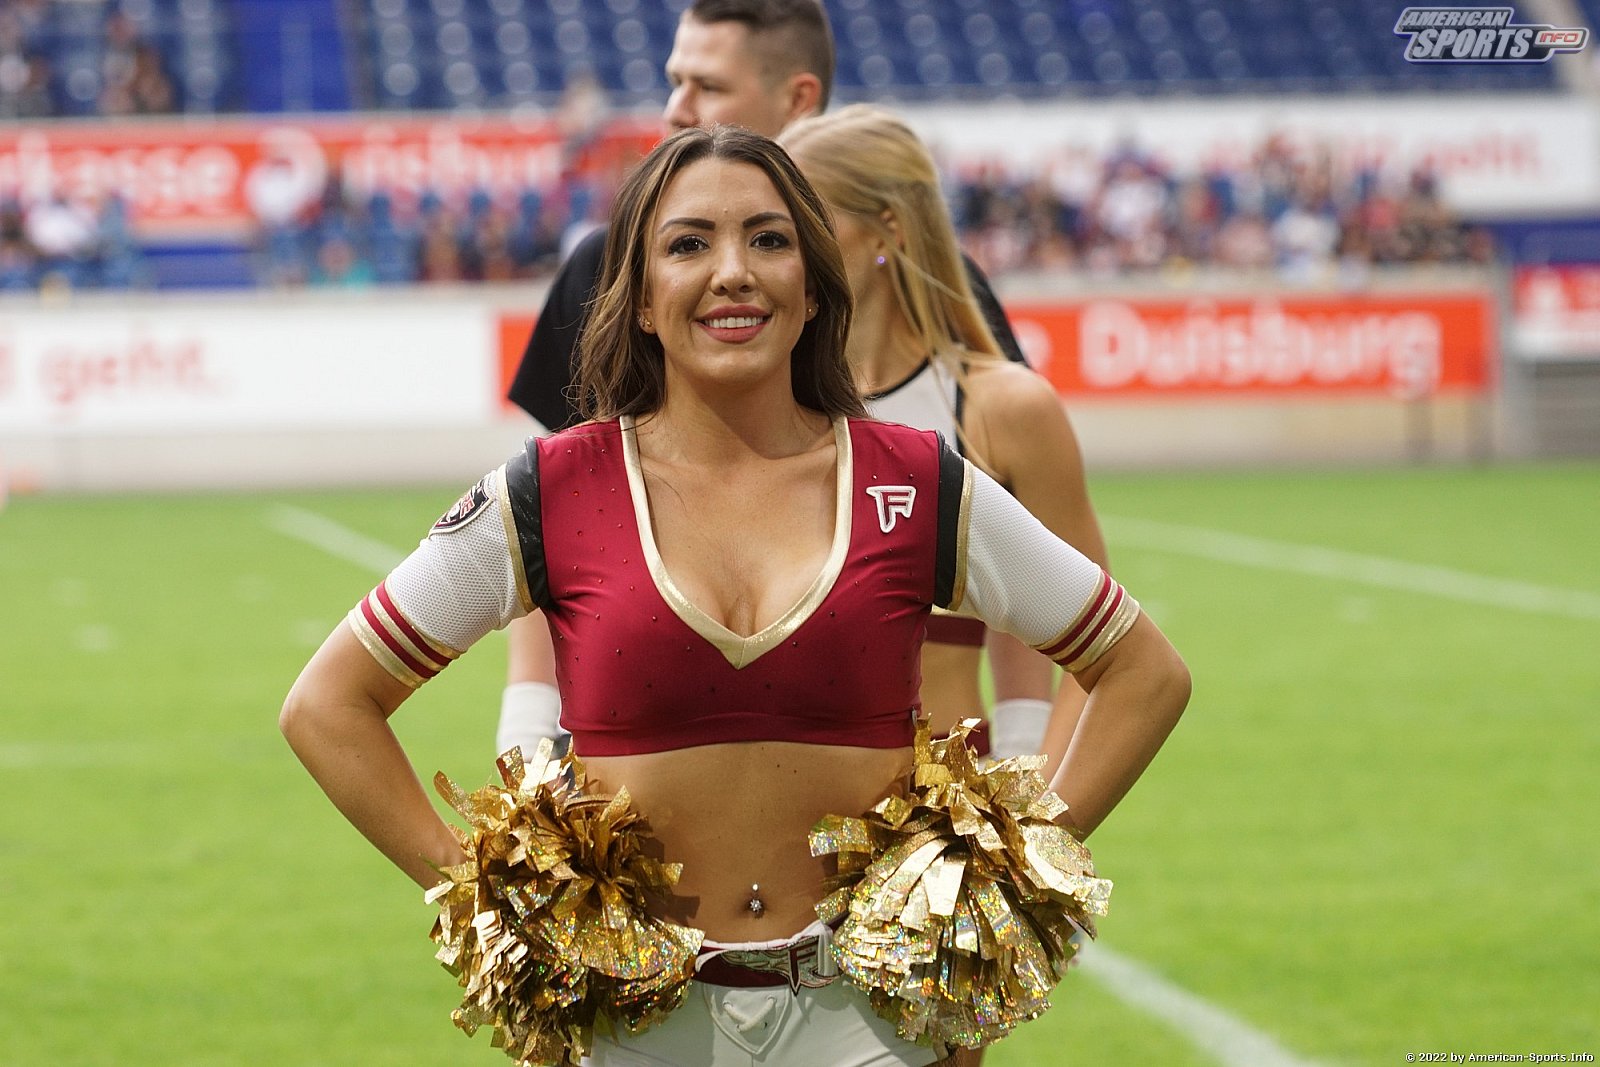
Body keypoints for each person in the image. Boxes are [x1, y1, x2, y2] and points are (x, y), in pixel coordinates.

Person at [281, 125, 1191, 1066]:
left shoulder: (917, 479)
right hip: (636, 1025)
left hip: (870, 1024)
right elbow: (327, 704)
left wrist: (1007, 879)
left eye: (768, 239)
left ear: (812, 285)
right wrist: (491, 899)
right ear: (639, 297)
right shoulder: (549, 489)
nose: (733, 273)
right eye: (688, 244)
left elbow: (1143, 671)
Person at [496, 0, 1051, 767]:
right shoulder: (608, 266)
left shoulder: (936, 306)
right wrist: (526, 737)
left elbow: (1052, 604)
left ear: (798, 99)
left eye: (708, 86)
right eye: (686, 248)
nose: (676, 108)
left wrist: (1024, 783)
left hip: (898, 790)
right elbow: (552, 531)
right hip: (642, 781)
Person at [781, 104, 1110, 781]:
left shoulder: (1004, 409)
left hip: (939, 816)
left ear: (888, 229)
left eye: (807, 222)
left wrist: (1029, 801)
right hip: (774, 816)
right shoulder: (754, 403)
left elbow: (1100, 650)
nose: (781, 251)